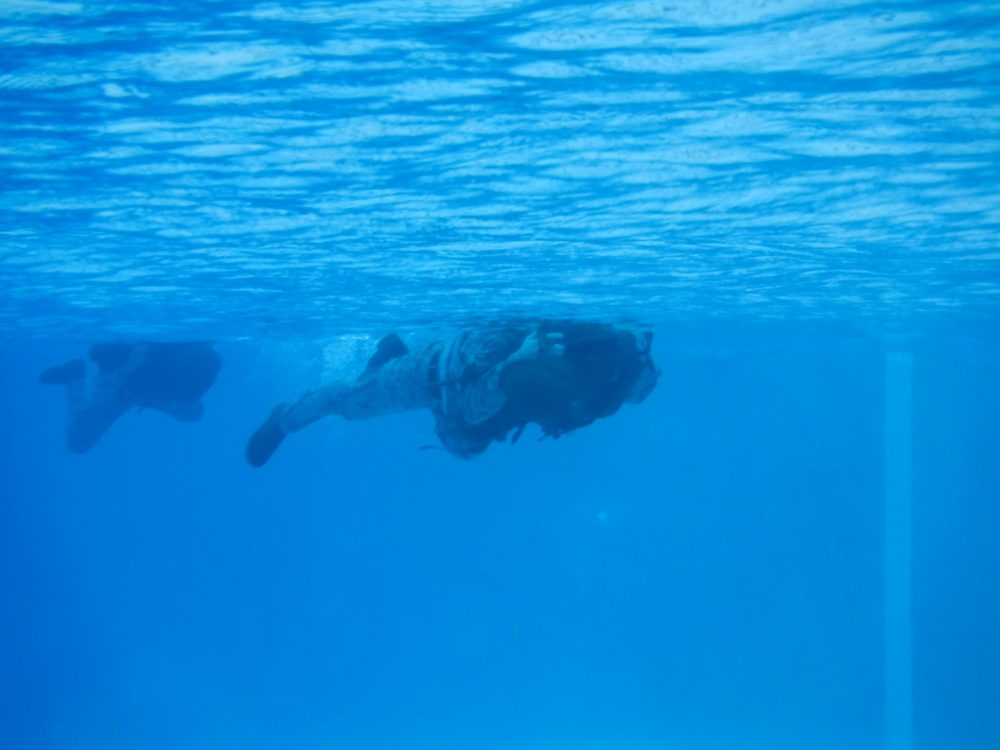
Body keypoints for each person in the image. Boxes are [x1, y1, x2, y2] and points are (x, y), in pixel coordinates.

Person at [246, 320, 659, 467]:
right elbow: (481, 405)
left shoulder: (574, 360)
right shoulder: (540, 365)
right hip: (427, 376)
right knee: (351, 403)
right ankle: (284, 419)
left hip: (453, 387)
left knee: (466, 448)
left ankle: (386, 359)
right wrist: (512, 372)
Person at [39, 341, 222, 454]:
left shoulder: (197, 367)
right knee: (78, 443)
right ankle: (74, 377)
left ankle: (74, 376)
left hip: (142, 387)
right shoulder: (146, 359)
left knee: (193, 413)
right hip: (123, 383)